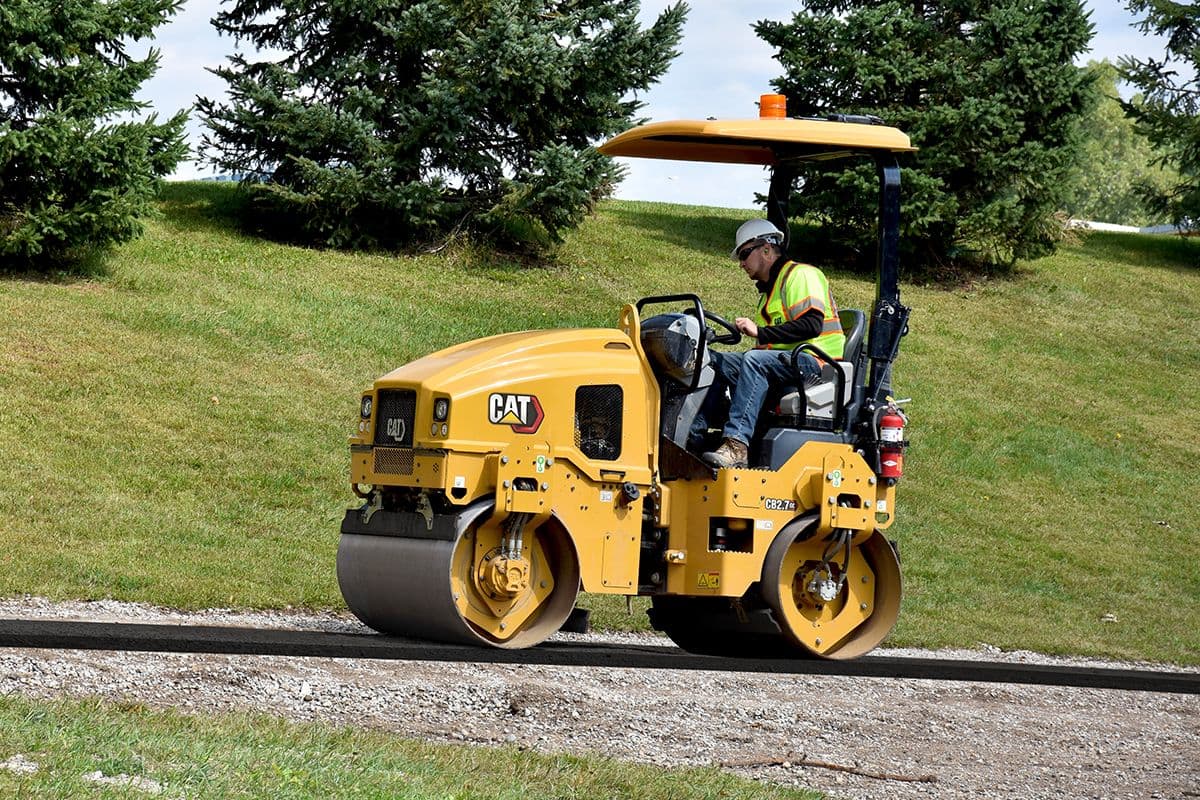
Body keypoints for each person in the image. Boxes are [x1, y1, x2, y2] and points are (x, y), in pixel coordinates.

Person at [696, 219, 846, 469]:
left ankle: (736, 446)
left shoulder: (801, 275)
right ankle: (695, 436)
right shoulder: (769, 293)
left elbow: (811, 325)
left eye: (744, 254)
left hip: (817, 364)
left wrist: (760, 332)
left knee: (754, 361)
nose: (741, 263)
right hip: (787, 362)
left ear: (767, 250)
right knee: (712, 361)